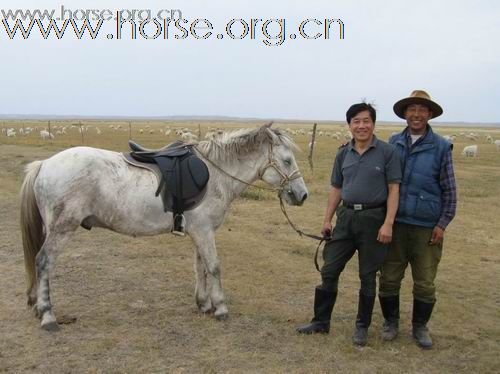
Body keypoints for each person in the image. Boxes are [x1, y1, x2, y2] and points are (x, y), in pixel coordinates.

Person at [296, 102, 401, 346]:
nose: (361, 126)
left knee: (367, 275)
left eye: (366, 120)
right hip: (345, 218)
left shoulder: (388, 152)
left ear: (373, 123)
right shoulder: (343, 153)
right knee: (329, 269)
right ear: (349, 125)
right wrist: (327, 219)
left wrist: (388, 224)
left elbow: (394, 189)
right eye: (356, 121)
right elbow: (336, 188)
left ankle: (361, 327)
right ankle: (321, 321)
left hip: (374, 219)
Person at [378, 90, 457, 349]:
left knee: (424, 282)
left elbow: (450, 189)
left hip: (426, 228)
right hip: (396, 224)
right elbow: (381, 173)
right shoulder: (393, 142)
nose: (416, 114)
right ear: (405, 114)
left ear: (430, 114)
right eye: (412, 109)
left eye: (422, 109)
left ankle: (420, 327)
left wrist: (442, 223)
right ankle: (391, 323)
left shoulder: (442, 146)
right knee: (389, 277)